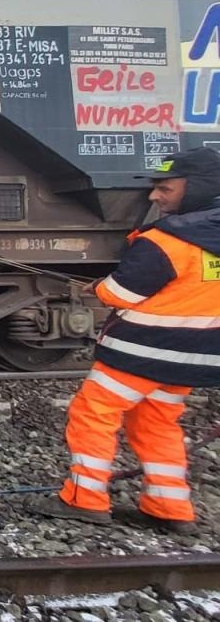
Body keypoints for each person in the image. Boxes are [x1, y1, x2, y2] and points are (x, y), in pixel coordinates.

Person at [32, 147, 220, 535]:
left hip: (140, 353)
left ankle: (84, 500)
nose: (155, 196)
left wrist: (99, 288)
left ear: (198, 188)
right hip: (191, 358)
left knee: (92, 415)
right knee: (158, 423)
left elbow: (123, 293)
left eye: (165, 189)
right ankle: (170, 508)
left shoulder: (167, 241)